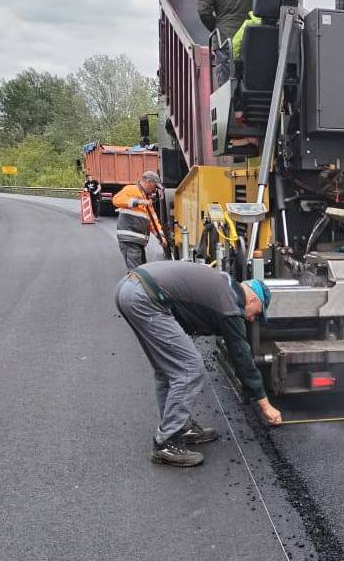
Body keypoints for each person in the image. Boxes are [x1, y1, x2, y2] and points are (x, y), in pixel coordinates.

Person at [114, 261, 283, 467]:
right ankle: (167, 442)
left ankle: (180, 427)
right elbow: (242, 358)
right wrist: (265, 406)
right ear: (253, 299)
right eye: (257, 313)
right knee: (189, 368)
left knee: (167, 370)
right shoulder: (230, 305)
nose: (253, 318)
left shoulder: (226, 287)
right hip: (145, 297)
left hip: (131, 288)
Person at [113, 171, 167, 270]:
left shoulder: (146, 198)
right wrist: (138, 202)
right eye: (155, 186)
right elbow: (116, 200)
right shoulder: (131, 189)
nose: (155, 190)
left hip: (138, 241)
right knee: (136, 271)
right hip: (129, 239)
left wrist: (161, 237)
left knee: (140, 270)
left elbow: (153, 220)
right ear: (149, 182)